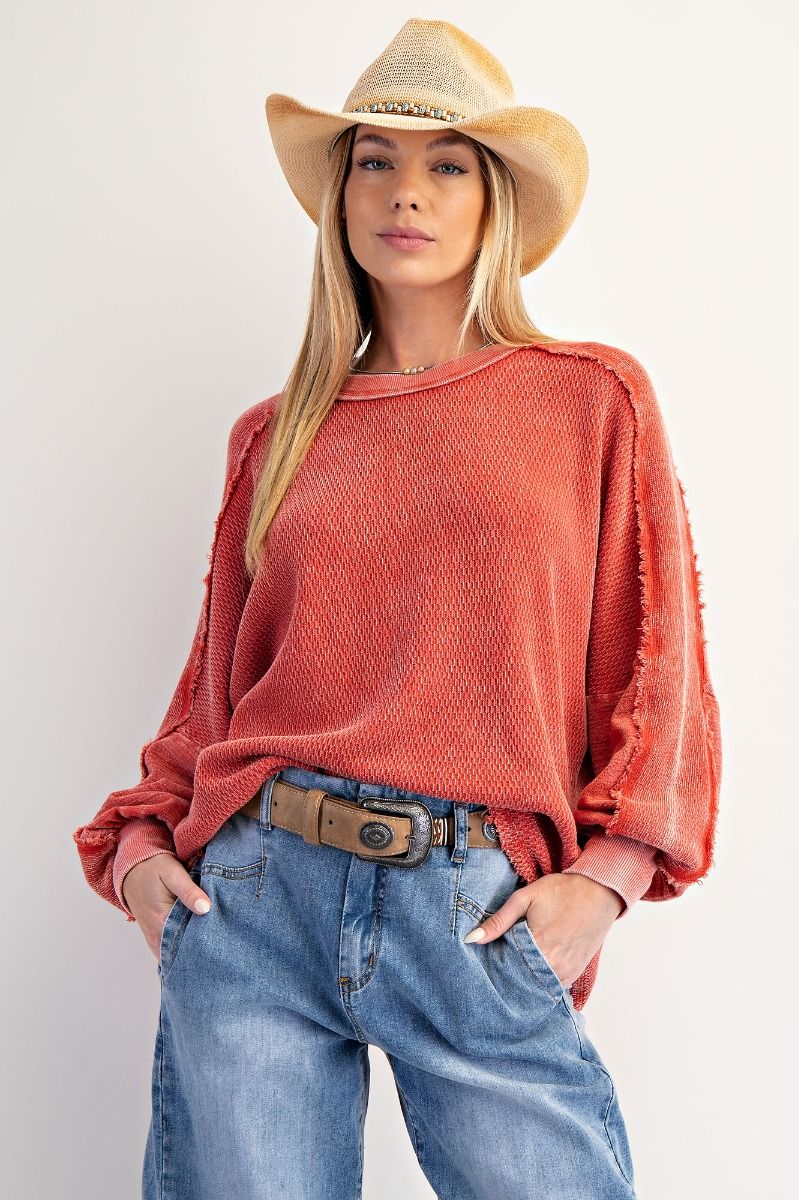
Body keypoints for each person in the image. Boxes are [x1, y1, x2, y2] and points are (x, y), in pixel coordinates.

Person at [73, 18, 721, 1200]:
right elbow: (216, 685)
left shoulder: (590, 400)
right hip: (255, 894)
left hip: (472, 905)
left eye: (445, 164)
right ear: (340, 196)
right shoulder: (275, 436)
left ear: (494, 200)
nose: (404, 192)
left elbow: (658, 663)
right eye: (373, 160)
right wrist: (138, 853)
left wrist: (610, 872)